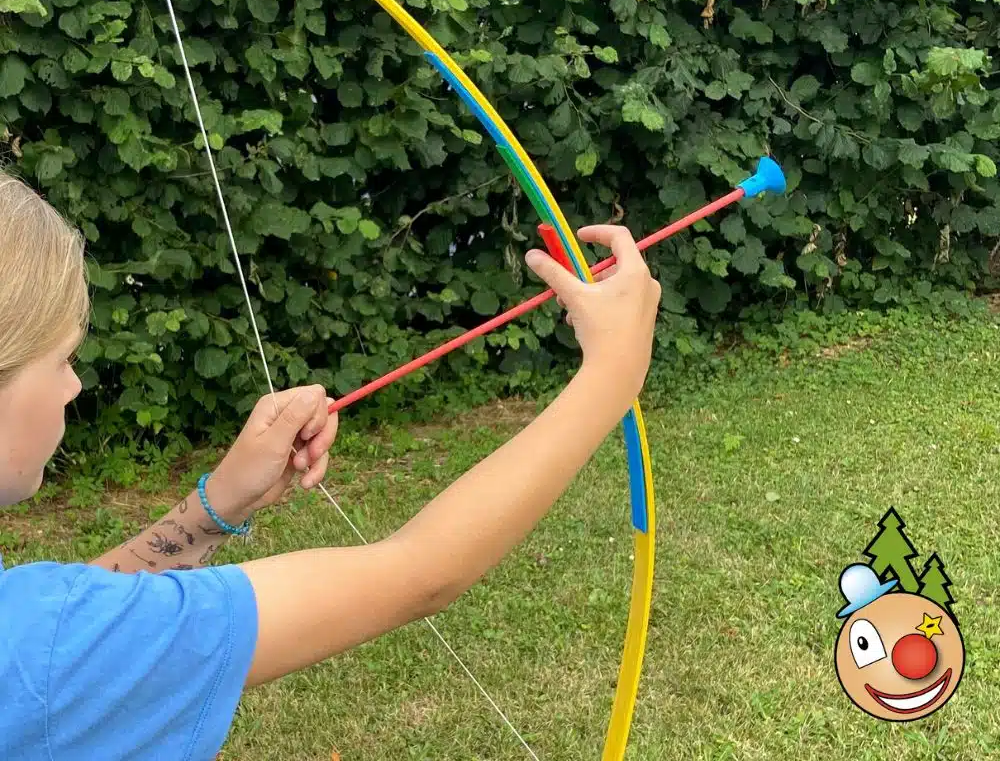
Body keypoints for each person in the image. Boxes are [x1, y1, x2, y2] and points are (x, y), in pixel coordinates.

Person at [0, 167, 661, 759]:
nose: (74, 385)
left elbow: (82, 625)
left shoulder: (41, 631)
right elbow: (422, 571)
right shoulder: (49, 644)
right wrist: (611, 373)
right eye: (61, 359)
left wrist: (218, 504)